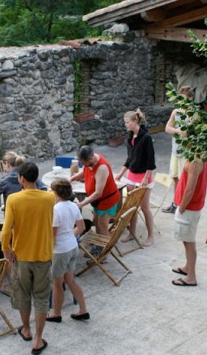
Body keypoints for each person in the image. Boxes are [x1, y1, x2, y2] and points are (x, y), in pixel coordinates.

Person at [1, 162, 55, 355]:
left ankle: (26, 328)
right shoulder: (49, 198)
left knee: (23, 293)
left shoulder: (13, 199)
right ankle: (38, 339)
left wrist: (5, 249)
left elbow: (6, 230)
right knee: (41, 297)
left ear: (22, 179)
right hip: (43, 255)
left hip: (21, 256)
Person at [46, 179, 89, 323]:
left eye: (50, 190)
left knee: (57, 284)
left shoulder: (55, 210)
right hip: (72, 246)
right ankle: (83, 309)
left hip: (60, 251)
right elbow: (81, 227)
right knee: (70, 280)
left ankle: (56, 313)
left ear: (56, 192)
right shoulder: (73, 205)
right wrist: (70, 235)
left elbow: (52, 237)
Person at [115, 109, 156, 247]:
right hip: (131, 176)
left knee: (145, 208)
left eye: (127, 122)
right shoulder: (130, 137)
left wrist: (146, 178)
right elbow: (130, 159)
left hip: (143, 177)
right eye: (125, 122)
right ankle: (131, 233)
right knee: (131, 206)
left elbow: (151, 161)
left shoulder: (146, 138)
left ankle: (151, 236)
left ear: (135, 121)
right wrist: (121, 173)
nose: (125, 125)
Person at [171, 157, 207, 287]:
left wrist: (181, 208)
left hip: (188, 208)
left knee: (189, 241)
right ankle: (188, 267)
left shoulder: (195, 162)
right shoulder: (202, 155)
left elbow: (189, 190)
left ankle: (191, 277)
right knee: (186, 238)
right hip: (191, 207)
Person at [70, 145, 120, 238]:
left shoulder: (102, 168)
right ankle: (98, 241)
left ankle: (104, 246)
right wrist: (73, 178)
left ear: (91, 159)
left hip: (107, 201)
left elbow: (98, 193)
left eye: (84, 163)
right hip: (98, 201)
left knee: (102, 226)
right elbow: (85, 170)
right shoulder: (90, 158)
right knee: (96, 221)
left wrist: (82, 203)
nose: (83, 166)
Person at [162, 86, 195, 213]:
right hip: (175, 150)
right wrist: (177, 131)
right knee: (175, 178)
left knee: (184, 179)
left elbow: (189, 133)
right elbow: (167, 128)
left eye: (184, 99)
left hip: (186, 152)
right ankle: (175, 203)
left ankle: (183, 204)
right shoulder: (176, 112)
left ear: (191, 99)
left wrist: (182, 132)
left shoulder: (193, 114)